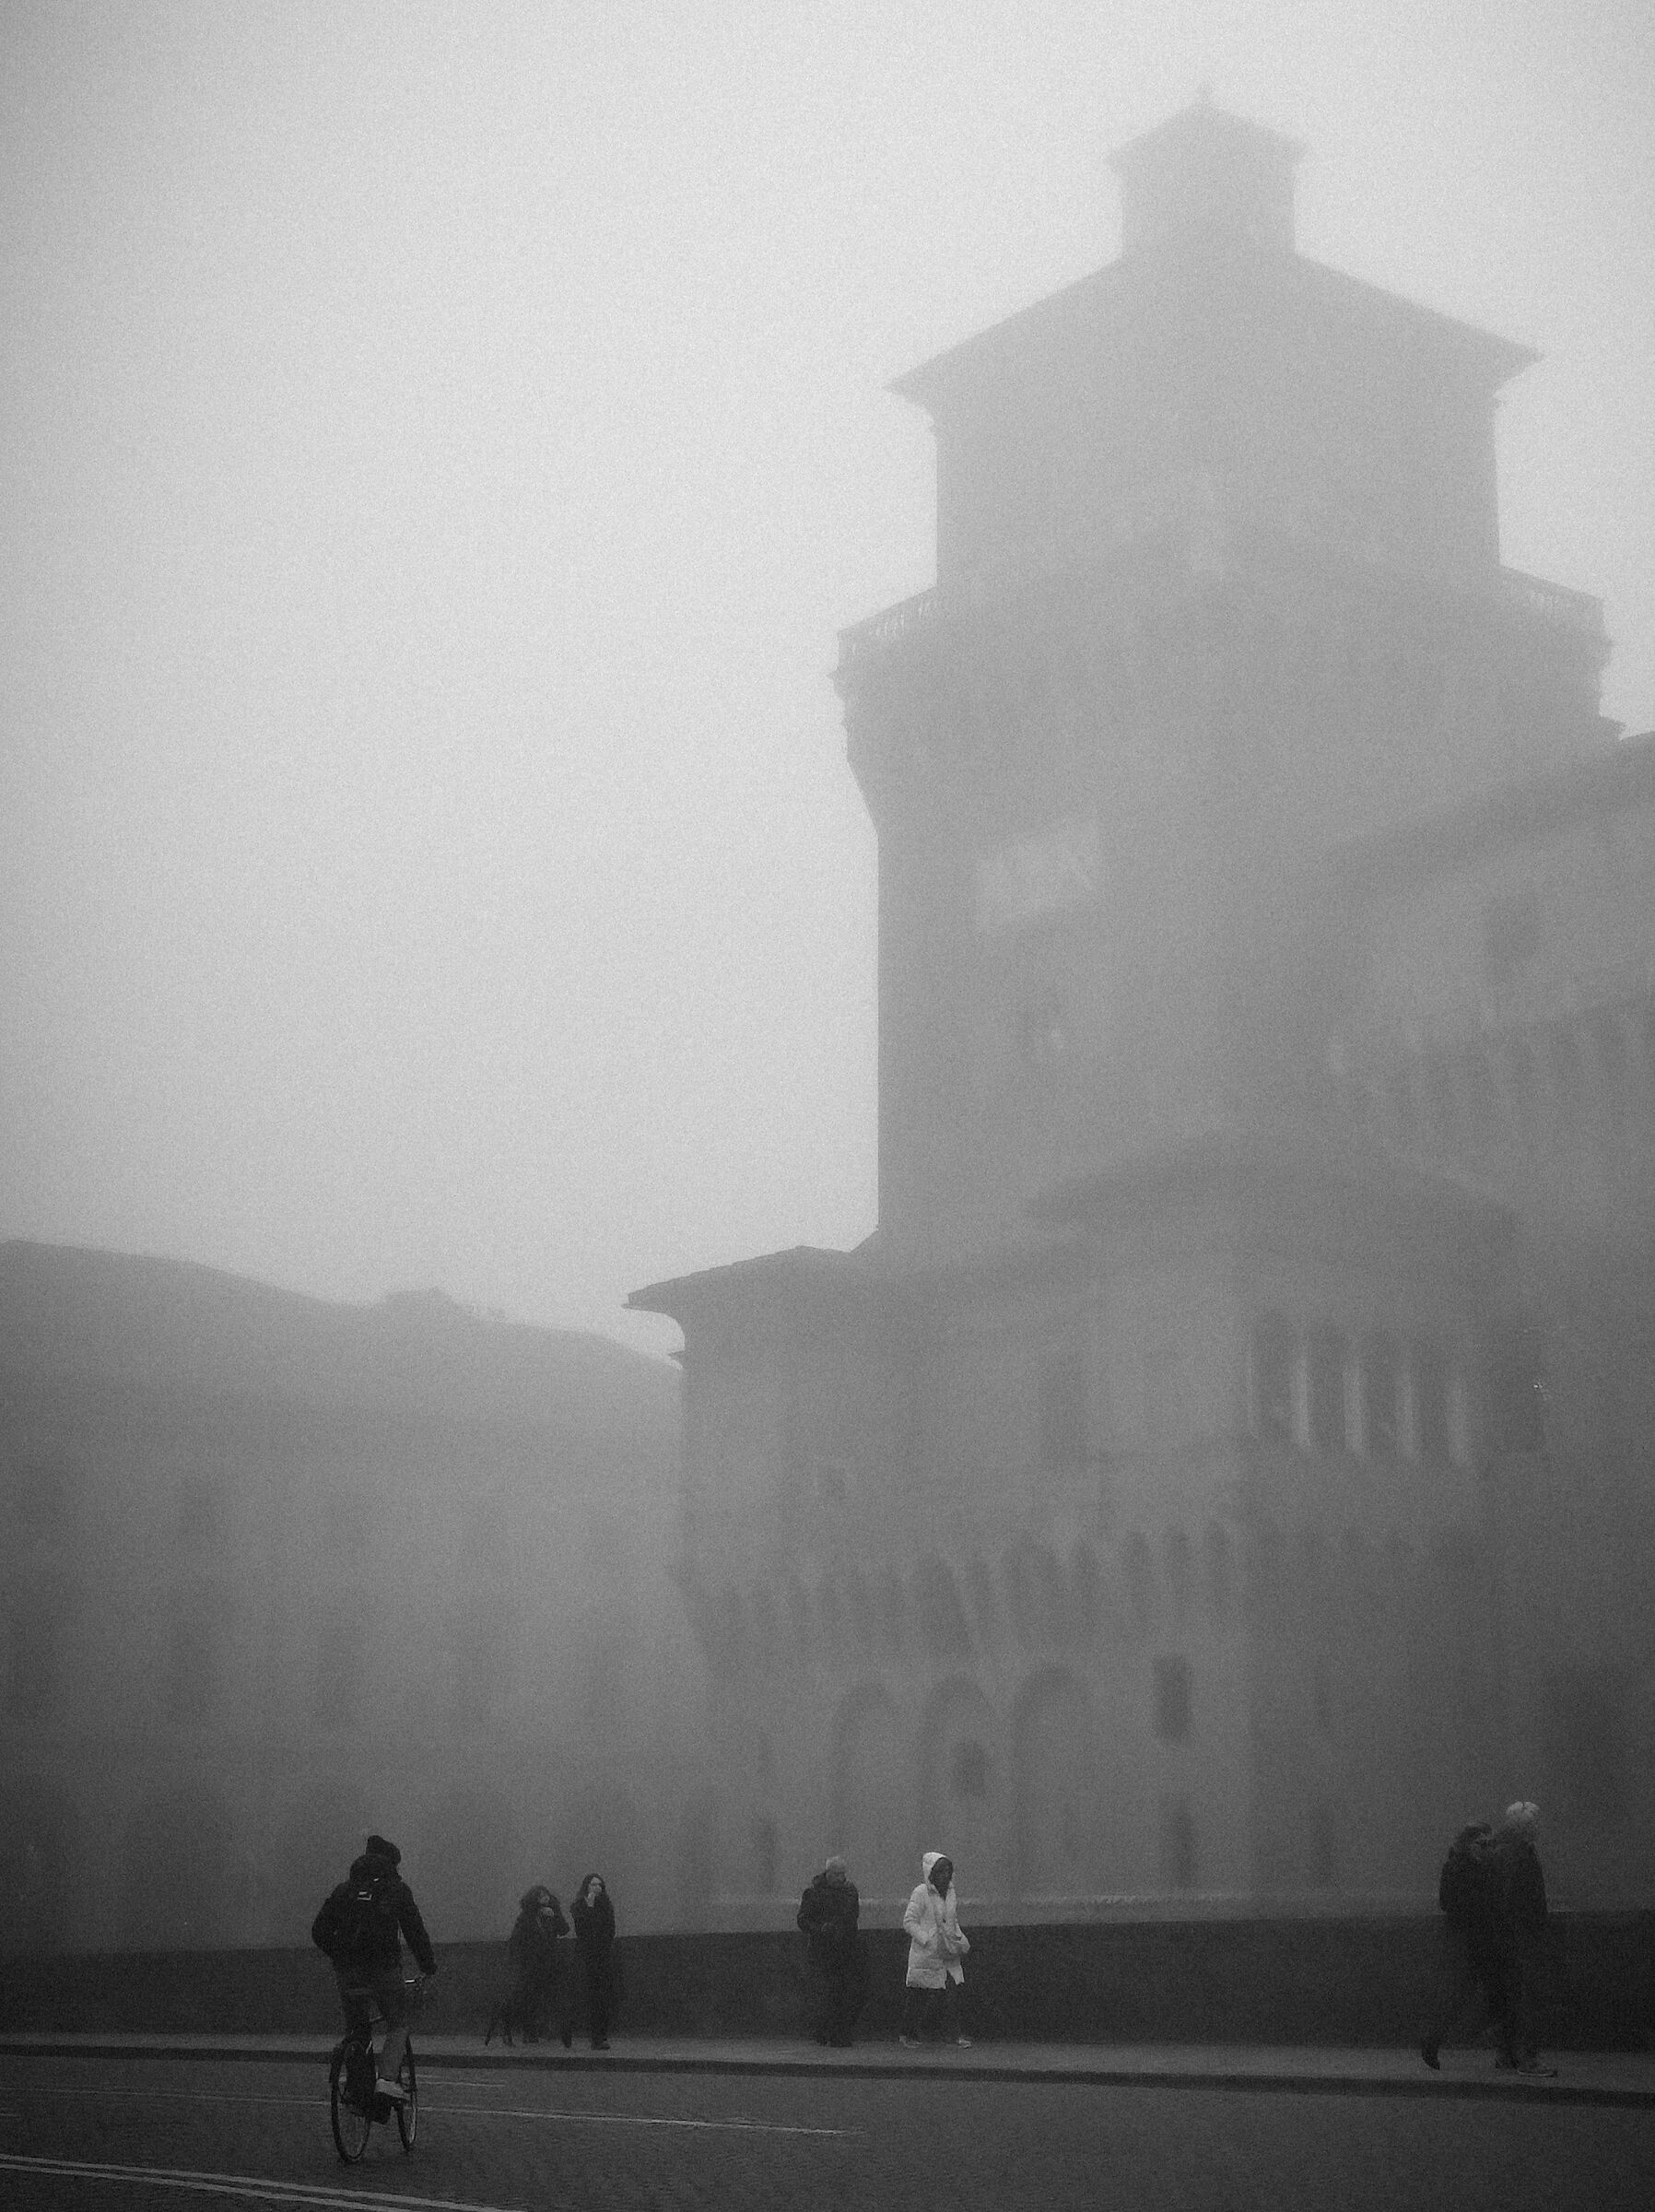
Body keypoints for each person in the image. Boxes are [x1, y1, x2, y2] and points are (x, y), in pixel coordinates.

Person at [311, 1833, 436, 2100]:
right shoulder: (396, 1890)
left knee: (357, 2028)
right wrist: (428, 1967)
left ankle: (357, 2093)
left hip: (348, 1974)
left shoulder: (344, 1891)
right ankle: (387, 2079)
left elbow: (319, 1930)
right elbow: (415, 1932)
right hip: (384, 1970)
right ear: (391, 1864)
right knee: (398, 2022)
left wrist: (340, 1954)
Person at [1420, 1818, 1505, 2069]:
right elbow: (1448, 1902)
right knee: (1464, 1996)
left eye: (1489, 1843)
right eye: (1481, 1843)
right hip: (1468, 1942)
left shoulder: (1482, 1866)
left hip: (1482, 1940)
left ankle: (1494, 2045)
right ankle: (1435, 2040)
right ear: (1468, 1844)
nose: (1486, 1848)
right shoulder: (1457, 1868)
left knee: (1492, 1995)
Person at [1490, 1801, 1555, 2076]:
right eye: (1534, 1823)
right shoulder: (1521, 1854)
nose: (1539, 1827)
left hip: (1507, 1937)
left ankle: (1506, 2056)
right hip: (1521, 1936)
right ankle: (1528, 2059)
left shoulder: (1503, 1851)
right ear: (1526, 1827)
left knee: (1510, 1997)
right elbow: (1518, 1898)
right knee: (1528, 1998)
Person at [899, 1850, 970, 2047]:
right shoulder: (921, 1892)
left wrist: (960, 1938)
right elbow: (909, 1922)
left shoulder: (950, 1893)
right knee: (918, 1995)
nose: (945, 1875)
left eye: (948, 1871)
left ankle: (953, 2035)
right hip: (926, 1954)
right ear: (931, 1873)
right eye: (940, 1872)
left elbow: (951, 1920)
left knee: (952, 1993)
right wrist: (927, 1939)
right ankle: (908, 2034)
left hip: (947, 1952)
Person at [487, 1885, 569, 2047]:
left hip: (549, 1965)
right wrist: (520, 1960)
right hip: (530, 1965)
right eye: (540, 1896)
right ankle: (528, 2032)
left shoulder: (551, 1914)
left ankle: (543, 2030)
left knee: (546, 1998)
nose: (545, 1899)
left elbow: (564, 1930)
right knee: (529, 1999)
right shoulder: (526, 1918)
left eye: (546, 1896)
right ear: (534, 1900)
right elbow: (516, 1940)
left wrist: (555, 1915)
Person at [796, 1853, 864, 2047]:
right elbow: (802, 1919)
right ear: (827, 1873)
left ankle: (839, 2034)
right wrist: (820, 1929)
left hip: (845, 1949)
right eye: (836, 1874)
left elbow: (853, 1917)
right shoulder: (813, 1893)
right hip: (822, 1951)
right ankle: (824, 2031)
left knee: (844, 1993)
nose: (840, 1878)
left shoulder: (850, 1892)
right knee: (826, 1994)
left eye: (842, 1874)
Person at [571, 1871, 616, 2050]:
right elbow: (582, 1931)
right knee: (592, 1997)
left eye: (599, 1885)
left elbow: (609, 1930)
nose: (597, 1888)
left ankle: (602, 2035)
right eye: (593, 1884)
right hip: (587, 1958)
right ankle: (595, 2037)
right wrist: (589, 1907)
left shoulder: (606, 1905)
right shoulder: (579, 1906)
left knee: (604, 1997)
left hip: (604, 1956)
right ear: (586, 1887)